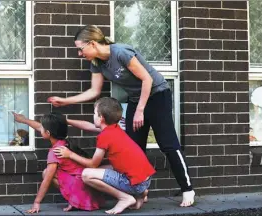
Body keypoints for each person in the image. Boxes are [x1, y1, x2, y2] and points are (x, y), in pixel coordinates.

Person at [48, 25, 195, 207]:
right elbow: (94, 91)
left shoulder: (120, 52)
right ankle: (141, 191)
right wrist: (65, 101)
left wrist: (140, 110)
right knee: (134, 147)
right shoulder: (97, 63)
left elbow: (147, 79)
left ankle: (187, 189)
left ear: (92, 43)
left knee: (167, 143)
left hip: (157, 95)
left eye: (80, 48)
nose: (79, 53)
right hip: (136, 99)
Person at [53, 97, 156, 214]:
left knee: (86, 174)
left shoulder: (105, 136)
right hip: (145, 179)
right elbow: (88, 126)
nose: (93, 115)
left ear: (101, 117)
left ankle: (124, 198)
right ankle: (141, 194)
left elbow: (92, 164)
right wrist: (66, 120)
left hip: (134, 183)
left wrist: (70, 154)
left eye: (94, 113)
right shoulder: (115, 128)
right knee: (102, 168)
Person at [12, 112, 103, 214]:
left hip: (81, 190)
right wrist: (24, 120)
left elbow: (47, 180)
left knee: (47, 173)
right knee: (51, 172)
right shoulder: (65, 142)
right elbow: (42, 128)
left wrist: (37, 202)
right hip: (86, 188)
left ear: (48, 133)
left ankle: (75, 201)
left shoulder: (55, 152)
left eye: (42, 128)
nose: (40, 129)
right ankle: (76, 200)